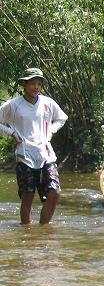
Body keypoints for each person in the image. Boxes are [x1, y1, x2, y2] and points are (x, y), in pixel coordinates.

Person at [0, 68, 68, 224]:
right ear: (24, 84)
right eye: (32, 83)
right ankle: (27, 233)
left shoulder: (48, 103)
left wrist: (51, 130)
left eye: (39, 84)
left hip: (46, 155)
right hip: (25, 155)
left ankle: (43, 231)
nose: (36, 87)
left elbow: (62, 118)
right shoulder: (14, 105)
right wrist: (10, 132)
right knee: (28, 196)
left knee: (54, 193)